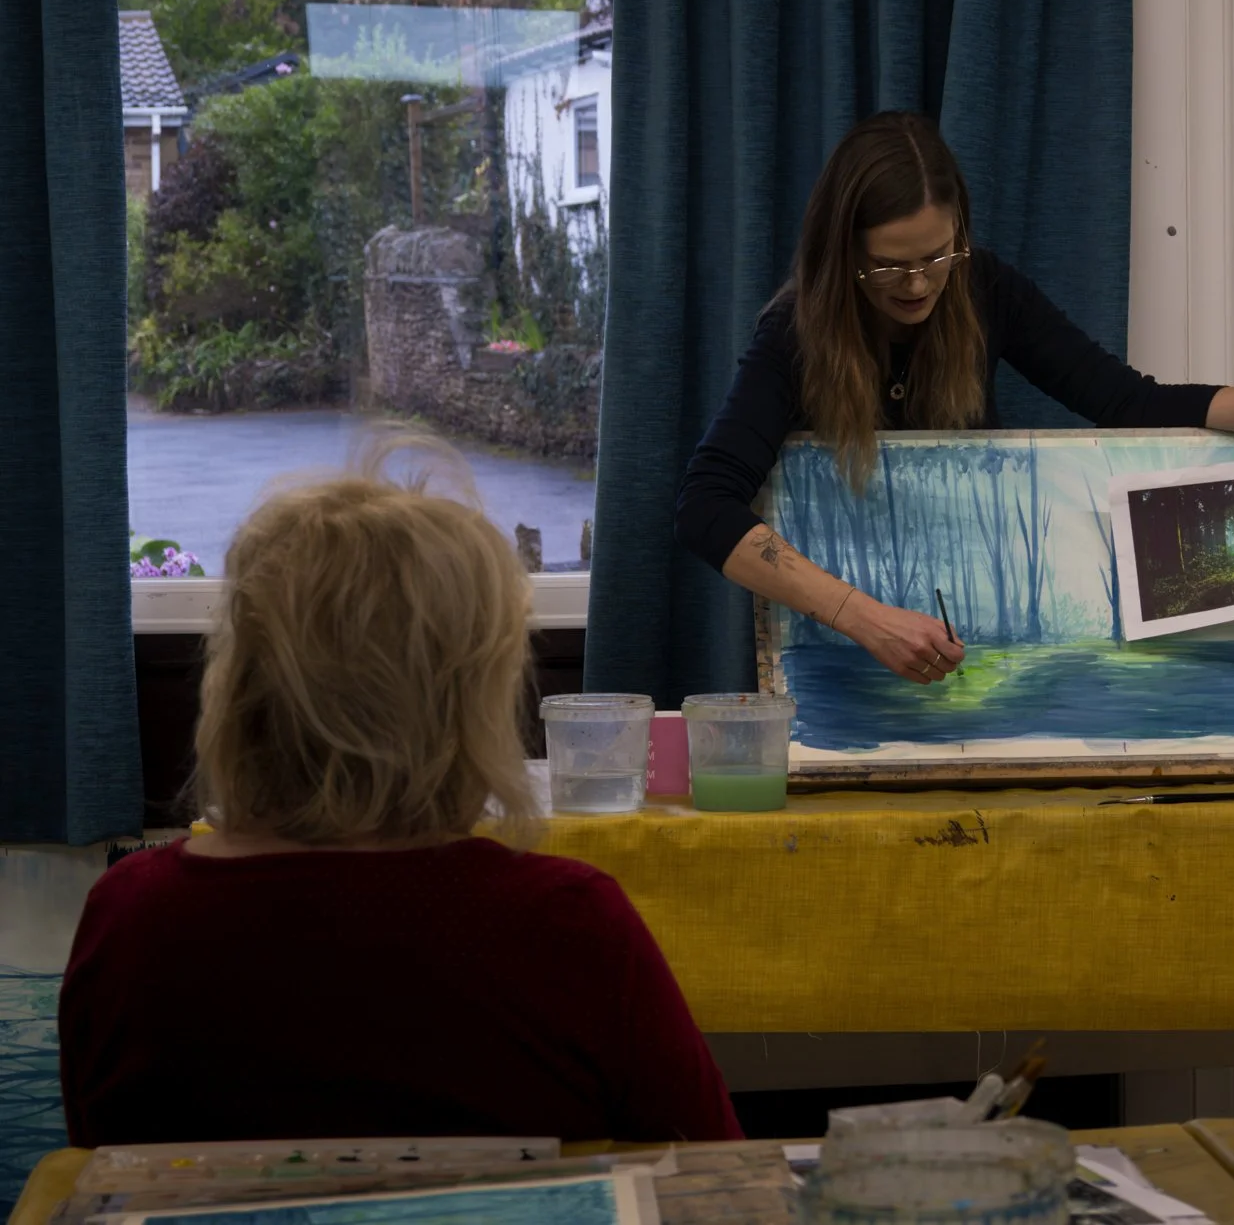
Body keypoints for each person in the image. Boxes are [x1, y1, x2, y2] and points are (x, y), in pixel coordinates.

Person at [61, 439, 742, 1148]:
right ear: (467, 701)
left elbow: (93, 1173)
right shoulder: (570, 927)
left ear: (240, 683)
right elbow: (719, 1179)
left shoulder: (131, 918)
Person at [678, 111, 1234, 683]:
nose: (918, 284)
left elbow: (1129, 403)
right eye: (889, 265)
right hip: (838, 661)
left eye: (937, 257)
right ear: (844, 253)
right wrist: (866, 619)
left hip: (977, 657)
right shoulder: (794, 335)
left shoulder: (986, 290)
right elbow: (706, 507)